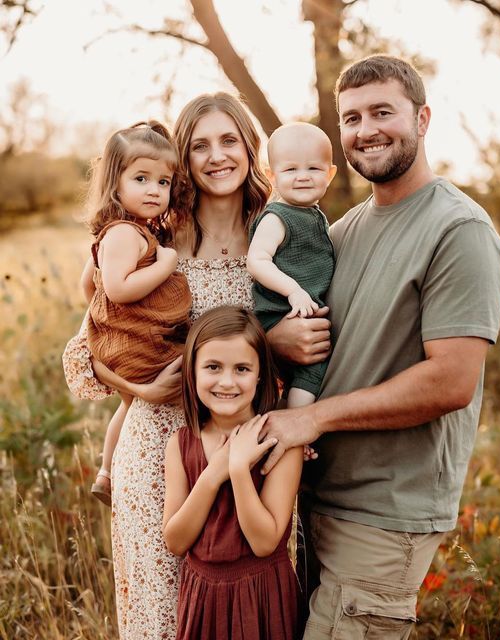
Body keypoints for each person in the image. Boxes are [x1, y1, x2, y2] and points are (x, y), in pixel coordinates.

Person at [260, 55, 500, 639]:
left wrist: (312, 420)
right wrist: (277, 340)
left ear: (422, 119)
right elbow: (316, 340)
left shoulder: (458, 231)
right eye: (351, 118)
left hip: (384, 514)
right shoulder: (340, 230)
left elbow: (451, 381)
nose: (365, 129)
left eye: (382, 112)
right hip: (311, 499)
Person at [62, 91, 287, 639]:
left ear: (248, 147)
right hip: (154, 449)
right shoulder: (150, 241)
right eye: (199, 146)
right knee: (161, 619)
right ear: (181, 160)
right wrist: (140, 388)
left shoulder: (279, 236)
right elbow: (87, 349)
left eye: (229, 141)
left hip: (248, 460)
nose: (216, 157)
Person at [163, 306, 304, 640]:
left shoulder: (281, 442)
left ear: (259, 374)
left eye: (242, 368)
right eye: (213, 367)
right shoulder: (180, 444)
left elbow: (264, 541)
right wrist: (213, 475)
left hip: (261, 597)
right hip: (203, 599)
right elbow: (176, 540)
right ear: (192, 372)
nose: (227, 381)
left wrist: (239, 469)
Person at [80, 121, 191, 506]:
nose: (153, 190)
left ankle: (106, 471)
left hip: (123, 341)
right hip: (133, 348)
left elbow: (89, 284)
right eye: (141, 178)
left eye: (163, 182)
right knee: (198, 356)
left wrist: (101, 311)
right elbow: (118, 288)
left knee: (128, 405)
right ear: (116, 184)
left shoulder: (124, 231)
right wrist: (166, 264)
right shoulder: (126, 233)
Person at [247, 122, 337, 409]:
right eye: (290, 170)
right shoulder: (277, 217)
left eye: (313, 169)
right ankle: (297, 427)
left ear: (330, 174)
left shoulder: (315, 216)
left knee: (311, 373)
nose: (302, 177)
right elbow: (257, 261)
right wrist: (293, 291)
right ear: (271, 176)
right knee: (312, 372)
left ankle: (289, 416)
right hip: (278, 313)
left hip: (302, 315)